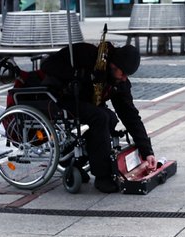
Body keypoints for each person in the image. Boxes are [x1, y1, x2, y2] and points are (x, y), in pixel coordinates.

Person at [41, 41, 157, 193]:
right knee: (100, 117)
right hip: (61, 97)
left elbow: (130, 115)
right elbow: (47, 65)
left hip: (85, 102)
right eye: (122, 73)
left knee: (111, 117)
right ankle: (102, 177)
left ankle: (74, 161)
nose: (124, 78)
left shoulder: (117, 80)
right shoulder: (87, 53)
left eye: (127, 75)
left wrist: (147, 151)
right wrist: (77, 76)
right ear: (113, 64)